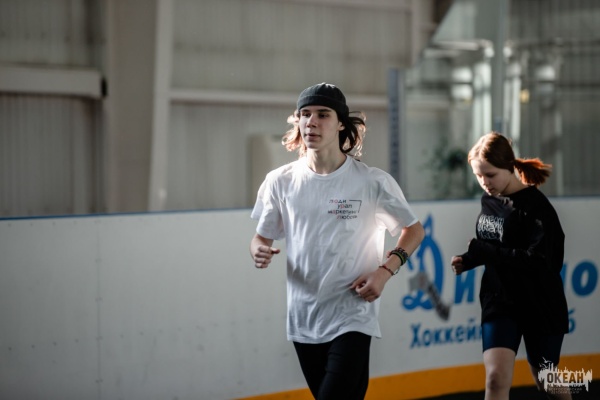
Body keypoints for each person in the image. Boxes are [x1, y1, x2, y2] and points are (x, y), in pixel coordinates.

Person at [249, 82, 424, 400]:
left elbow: (414, 230)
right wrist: (258, 250)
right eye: (305, 114)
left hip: (353, 315)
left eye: (322, 114)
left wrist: (385, 271)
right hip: (304, 318)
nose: (311, 122)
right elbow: (261, 237)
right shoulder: (279, 181)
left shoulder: (372, 181)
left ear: (341, 123)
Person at [450, 132, 571, 400]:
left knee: (546, 380)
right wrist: (469, 259)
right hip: (500, 300)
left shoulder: (538, 208)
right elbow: (493, 243)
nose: (484, 182)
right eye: (478, 175)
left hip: (539, 303)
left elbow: (542, 263)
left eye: (490, 175)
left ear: (509, 167)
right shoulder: (490, 199)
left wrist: (485, 252)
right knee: (495, 380)